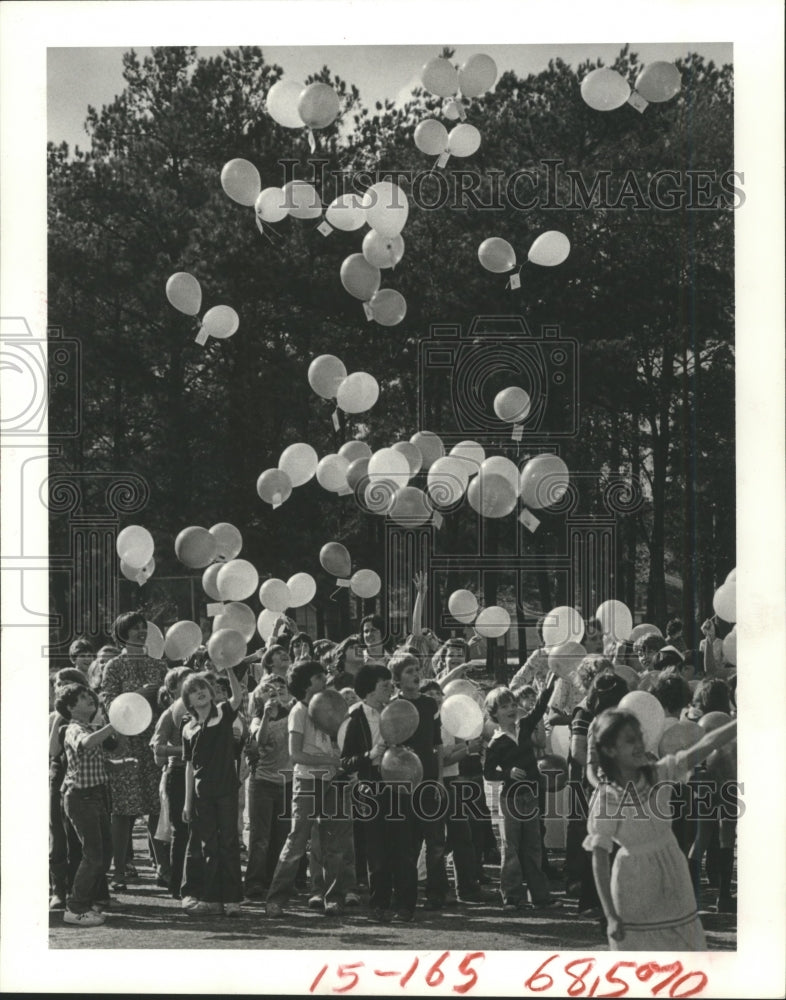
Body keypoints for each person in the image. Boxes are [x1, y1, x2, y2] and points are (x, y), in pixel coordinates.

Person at [585, 708, 737, 950]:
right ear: (610, 750)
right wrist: (611, 915)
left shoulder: (660, 774)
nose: (639, 745)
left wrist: (743, 721)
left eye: (640, 738)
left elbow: (707, 743)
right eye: (629, 740)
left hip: (673, 873)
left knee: (684, 952)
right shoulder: (606, 799)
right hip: (632, 884)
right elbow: (599, 859)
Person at [265, 659, 346, 918]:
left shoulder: (329, 705)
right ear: (308, 682)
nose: (325, 679)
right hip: (308, 780)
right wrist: (330, 760)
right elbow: (296, 754)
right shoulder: (299, 711)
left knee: (333, 840)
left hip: (331, 780)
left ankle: (331, 897)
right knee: (298, 839)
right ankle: (276, 898)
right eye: (319, 676)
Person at [340, 663, 413, 922]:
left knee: (403, 846)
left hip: (400, 783)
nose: (390, 689)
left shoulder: (398, 711)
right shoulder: (355, 716)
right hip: (370, 786)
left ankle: (406, 904)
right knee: (377, 850)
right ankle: (379, 903)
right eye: (385, 685)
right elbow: (345, 761)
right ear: (370, 690)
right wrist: (369, 756)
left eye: (390, 684)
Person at [101, 613, 167, 890]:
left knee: (157, 806)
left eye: (143, 628)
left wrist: (162, 697)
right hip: (126, 743)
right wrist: (139, 694)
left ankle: (164, 868)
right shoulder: (113, 666)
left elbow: (171, 702)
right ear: (121, 633)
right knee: (123, 810)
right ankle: (119, 871)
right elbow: (107, 702)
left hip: (154, 743)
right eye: (134, 629)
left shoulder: (159, 665)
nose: (141, 632)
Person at [483, 675, 560, 911]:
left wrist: (548, 686)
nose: (510, 709)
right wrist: (507, 773)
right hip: (511, 800)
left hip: (531, 797)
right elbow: (488, 773)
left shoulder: (524, 728)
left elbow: (537, 710)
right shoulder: (496, 743)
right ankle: (512, 896)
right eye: (504, 706)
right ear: (494, 714)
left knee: (534, 848)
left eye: (512, 705)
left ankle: (540, 896)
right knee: (512, 848)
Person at [181, 666, 245, 917]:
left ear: (211, 693)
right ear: (187, 701)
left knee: (229, 843)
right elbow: (188, 767)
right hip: (201, 795)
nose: (199, 693)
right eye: (193, 691)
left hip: (226, 790)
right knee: (209, 845)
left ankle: (232, 900)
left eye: (203, 689)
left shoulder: (223, 713)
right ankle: (211, 898)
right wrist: (187, 803)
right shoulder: (188, 728)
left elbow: (237, 698)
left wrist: (229, 669)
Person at [389, 651, 450, 912]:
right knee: (408, 842)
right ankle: (405, 892)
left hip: (428, 781)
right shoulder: (393, 706)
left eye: (416, 669)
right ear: (397, 679)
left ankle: (436, 894)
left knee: (435, 839)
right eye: (409, 671)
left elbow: (436, 745)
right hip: (403, 783)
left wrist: (438, 779)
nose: (415, 675)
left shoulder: (429, 705)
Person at [57, 683, 118, 926]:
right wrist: (115, 724)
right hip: (80, 798)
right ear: (71, 707)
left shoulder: (90, 727)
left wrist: (120, 763)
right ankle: (75, 908)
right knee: (93, 855)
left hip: (94, 796)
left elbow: (95, 762)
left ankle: (85, 901)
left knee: (104, 854)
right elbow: (86, 744)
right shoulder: (73, 728)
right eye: (83, 698)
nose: (90, 699)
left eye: (89, 696)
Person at [149, 666, 200, 905]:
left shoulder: (203, 709)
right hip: (178, 773)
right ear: (172, 688)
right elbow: (157, 749)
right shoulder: (170, 713)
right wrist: (185, 750)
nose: (193, 681)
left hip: (203, 775)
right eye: (185, 679)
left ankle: (198, 881)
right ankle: (177, 884)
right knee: (181, 831)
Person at [244, 675, 293, 900]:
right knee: (260, 838)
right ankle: (254, 882)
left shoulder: (290, 716)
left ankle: (277, 882)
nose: (271, 692)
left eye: (274, 690)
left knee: (282, 836)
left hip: (286, 781)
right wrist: (266, 715)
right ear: (257, 700)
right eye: (265, 691)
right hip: (262, 783)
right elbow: (261, 740)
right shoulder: (255, 720)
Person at [49, 668, 91, 910]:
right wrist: (56, 719)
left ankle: (79, 890)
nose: (60, 688)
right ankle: (58, 890)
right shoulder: (53, 717)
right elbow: (53, 751)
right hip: (59, 777)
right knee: (58, 836)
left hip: (83, 780)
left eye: (66, 683)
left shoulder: (87, 714)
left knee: (79, 839)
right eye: (57, 684)